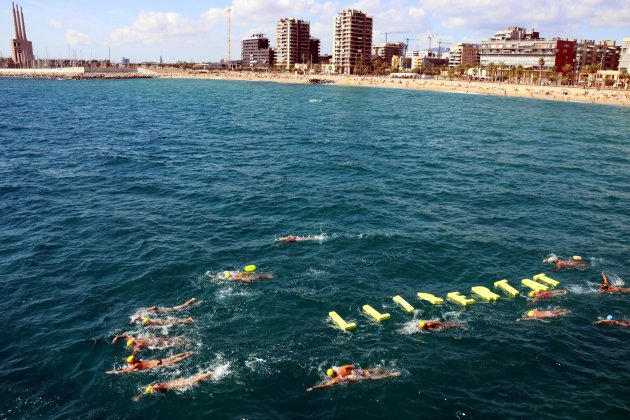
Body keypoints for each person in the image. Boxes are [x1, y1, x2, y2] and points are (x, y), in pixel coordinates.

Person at [132, 371, 214, 401]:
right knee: (193, 380)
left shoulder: (155, 387)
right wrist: (139, 396)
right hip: (175, 383)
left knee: (193, 381)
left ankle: (209, 374)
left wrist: (139, 397)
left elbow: (151, 389)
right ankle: (207, 375)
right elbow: (146, 391)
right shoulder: (156, 385)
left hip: (177, 385)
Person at [306, 365, 400, 391]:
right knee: (373, 370)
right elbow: (352, 366)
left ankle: (392, 374)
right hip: (359, 372)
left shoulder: (336, 380)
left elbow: (325, 385)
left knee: (375, 377)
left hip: (357, 378)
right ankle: (388, 368)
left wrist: (314, 387)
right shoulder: (342, 368)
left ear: (331, 375)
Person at [105, 352, 192, 374]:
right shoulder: (137, 361)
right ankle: (186, 353)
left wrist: (114, 371)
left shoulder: (136, 365)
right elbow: (132, 357)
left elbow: (126, 370)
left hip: (156, 365)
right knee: (171, 358)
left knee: (173, 361)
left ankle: (186, 356)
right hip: (156, 361)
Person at [112, 334, 189, 356]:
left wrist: (129, 358)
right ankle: (180, 337)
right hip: (155, 339)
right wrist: (117, 337)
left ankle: (184, 344)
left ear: (132, 344)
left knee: (170, 344)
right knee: (168, 339)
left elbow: (134, 354)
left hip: (156, 343)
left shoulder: (137, 345)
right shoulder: (134, 339)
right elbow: (126, 335)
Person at [131, 316, 195, 326]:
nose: (145, 324)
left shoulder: (153, 322)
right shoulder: (148, 320)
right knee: (178, 320)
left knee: (179, 321)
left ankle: (189, 319)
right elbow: (140, 317)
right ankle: (188, 319)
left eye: (145, 323)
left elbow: (161, 324)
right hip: (165, 320)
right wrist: (134, 320)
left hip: (166, 322)